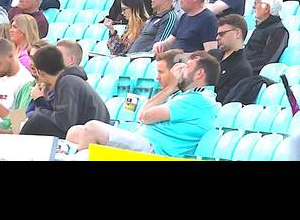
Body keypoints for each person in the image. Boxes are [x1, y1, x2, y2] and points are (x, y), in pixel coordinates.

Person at [70, 50, 219, 158]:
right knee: (75, 132)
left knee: (92, 128)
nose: (179, 72)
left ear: (199, 74)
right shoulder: (190, 97)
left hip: (156, 152)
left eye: (186, 68)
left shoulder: (198, 100)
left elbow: (145, 116)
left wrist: (170, 86)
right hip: (146, 145)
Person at [244, 0, 289, 70]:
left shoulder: (279, 31)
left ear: (266, 8)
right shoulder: (261, 27)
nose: (253, 7)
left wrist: (240, 67)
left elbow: (268, 61)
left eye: (256, 3)